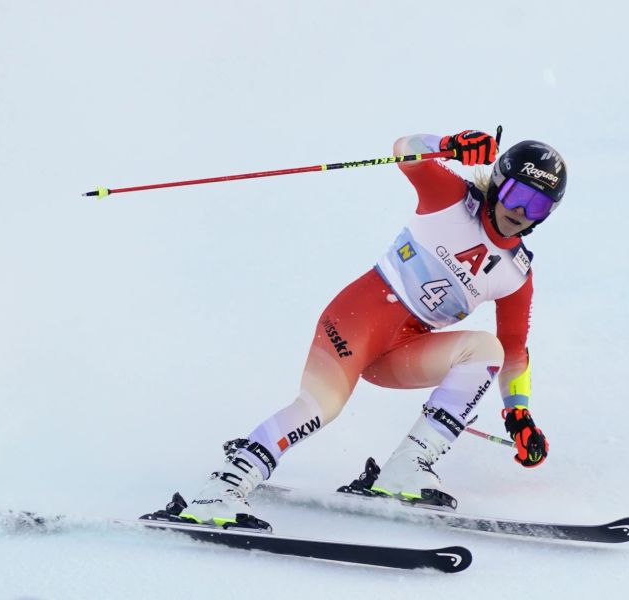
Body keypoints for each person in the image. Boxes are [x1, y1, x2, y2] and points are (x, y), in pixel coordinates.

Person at [143, 129, 568, 531]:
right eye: (516, 195)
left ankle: (405, 471)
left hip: (400, 353)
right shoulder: (452, 199)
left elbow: (514, 352)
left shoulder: (516, 274)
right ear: (496, 184)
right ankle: (219, 491)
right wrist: (448, 144)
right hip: (358, 320)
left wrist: (519, 414)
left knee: (487, 350)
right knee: (319, 407)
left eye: (538, 207)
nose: (520, 212)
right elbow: (405, 151)